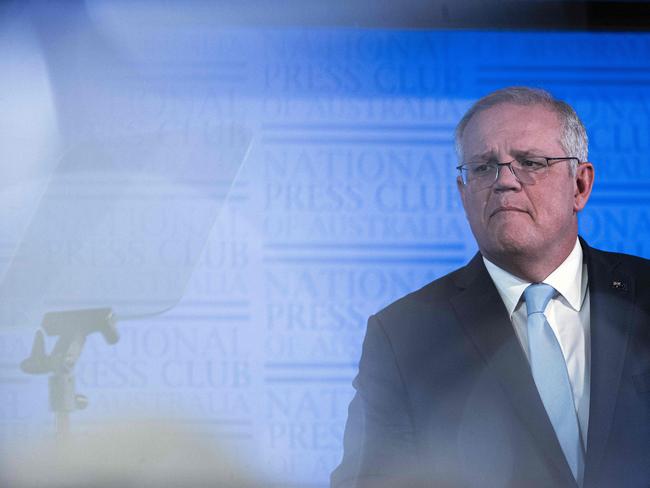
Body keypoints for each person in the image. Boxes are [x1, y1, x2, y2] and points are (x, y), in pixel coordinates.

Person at [331, 87, 650, 488]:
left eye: (530, 162)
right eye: (483, 168)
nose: (504, 182)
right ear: (463, 194)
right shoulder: (403, 335)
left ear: (580, 185)